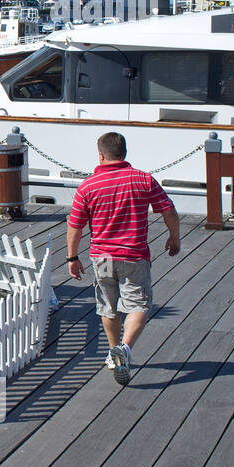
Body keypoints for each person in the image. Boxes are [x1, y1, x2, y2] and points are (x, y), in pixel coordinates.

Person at [67, 132, 181, 385]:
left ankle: (112, 351)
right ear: (124, 153)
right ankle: (125, 349)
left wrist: (72, 257)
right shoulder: (143, 179)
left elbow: (75, 226)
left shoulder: (88, 186)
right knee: (139, 305)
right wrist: (175, 237)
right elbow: (168, 210)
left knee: (109, 304)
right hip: (133, 255)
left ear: (100, 154)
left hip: (102, 257)